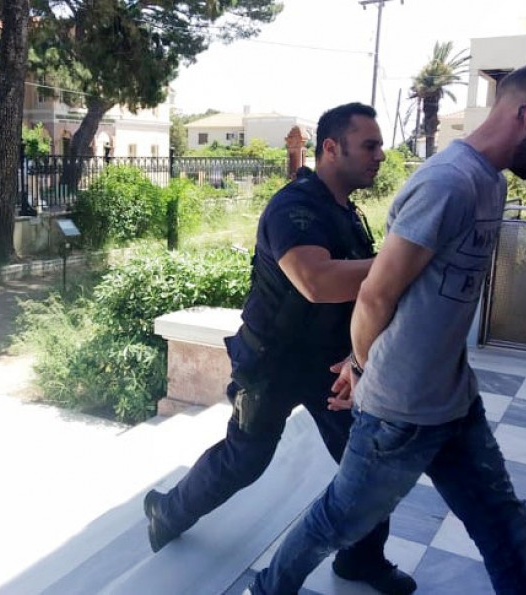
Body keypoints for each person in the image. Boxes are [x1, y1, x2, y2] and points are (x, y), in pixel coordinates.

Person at [249, 61, 526, 595]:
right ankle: (268, 588)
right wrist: (364, 367)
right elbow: (376, 293)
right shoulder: (446, 183)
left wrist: (365, 362)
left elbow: (422, 297)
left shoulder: (490, 182)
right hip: (400, 412)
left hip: (453, 397)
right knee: (337, 520)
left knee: (502, 524)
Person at [145, 102, 417, 595]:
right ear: (331, 148)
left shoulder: (347, 212)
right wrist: (401, 262)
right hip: (271, 361)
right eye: (370, 145)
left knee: (367, 460)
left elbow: (360, 294)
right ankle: (168, 511)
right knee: (246, 458)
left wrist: (360, 356)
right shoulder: (294, 208)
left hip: (331, 363)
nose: (381, 155)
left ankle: (362, 560)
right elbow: (317, 281)